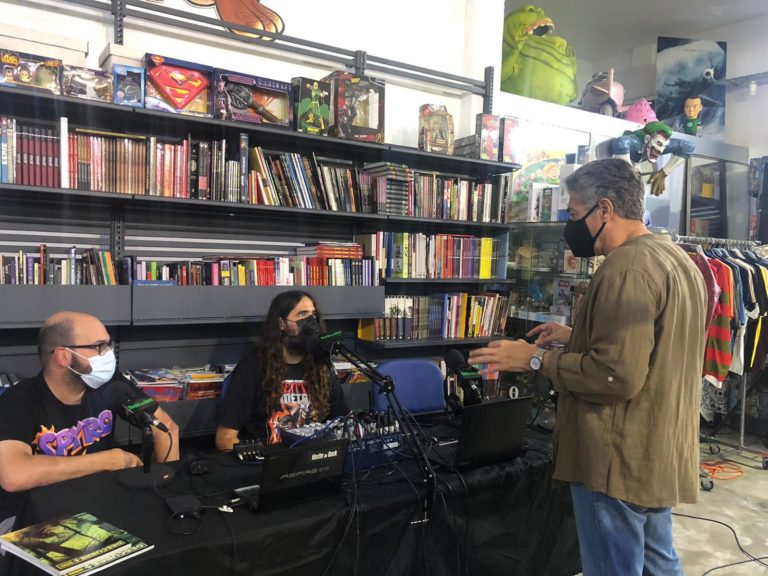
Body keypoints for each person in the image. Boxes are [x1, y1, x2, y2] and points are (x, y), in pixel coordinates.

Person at [469, 158, 707, 575]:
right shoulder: (677, 260)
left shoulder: (626, 268)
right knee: (658, 563)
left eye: (575, 214)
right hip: (658, 451)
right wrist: (574, 335)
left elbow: (615, 376)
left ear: (605, 209)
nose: (571, 227)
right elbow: (654, 348)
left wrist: (534, 358)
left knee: (613, 568)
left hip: (617, 459)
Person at [0, 311, 180, 533]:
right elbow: (14, 475)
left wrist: (169, 496)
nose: (108, 354)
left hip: (94, 505)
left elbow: (166, 428)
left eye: (108, 345)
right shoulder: (19, 401)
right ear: (63, 356)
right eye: (98, 346)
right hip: (28, 519)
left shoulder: (112, 384)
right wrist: (105, 461)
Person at [215, 290, 348, 450]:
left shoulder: (321, 366)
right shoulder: (253, 367)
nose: (311, 322)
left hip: (312, 458)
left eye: (313, 315)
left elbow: (343, 423)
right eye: (302, 314)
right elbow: (225, 438)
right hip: (269, 460)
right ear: (281, 324)